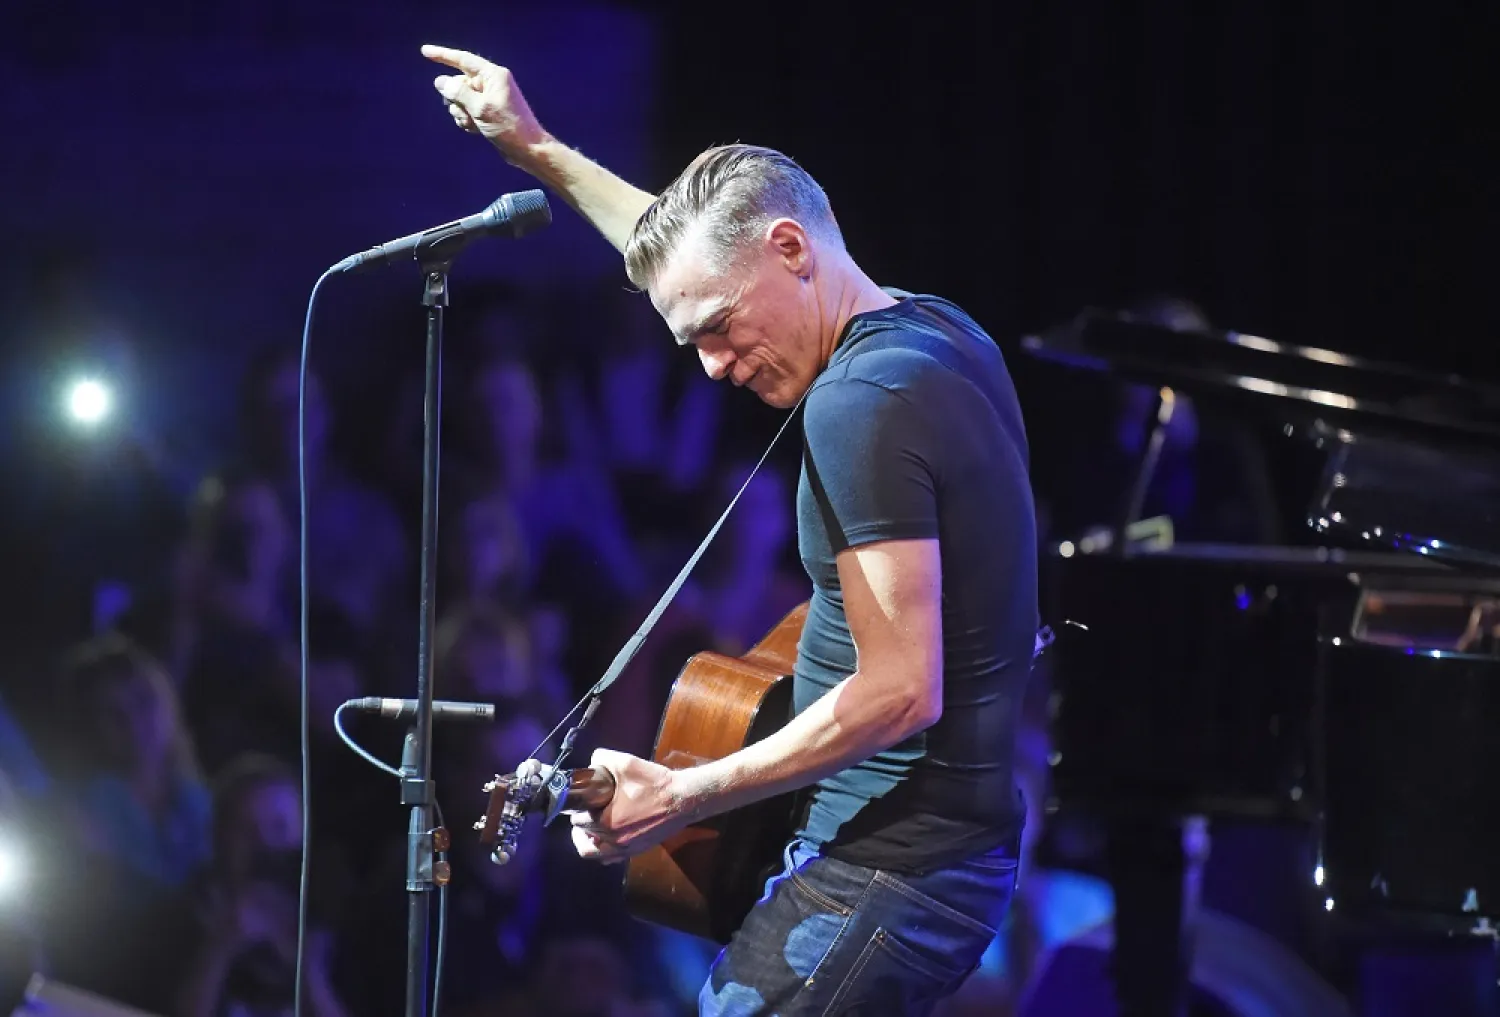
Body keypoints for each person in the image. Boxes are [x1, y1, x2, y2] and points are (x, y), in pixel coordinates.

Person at [423, 44, 1039, 1016]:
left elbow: (901, 691)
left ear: (793, 250)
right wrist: (539, 150)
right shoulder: (937, 332)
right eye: (692, 338)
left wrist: (684, 795)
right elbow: (688, 255)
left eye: (717, 328)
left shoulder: (860, 402)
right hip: (938, 856)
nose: (711, 367)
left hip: (890, 871)